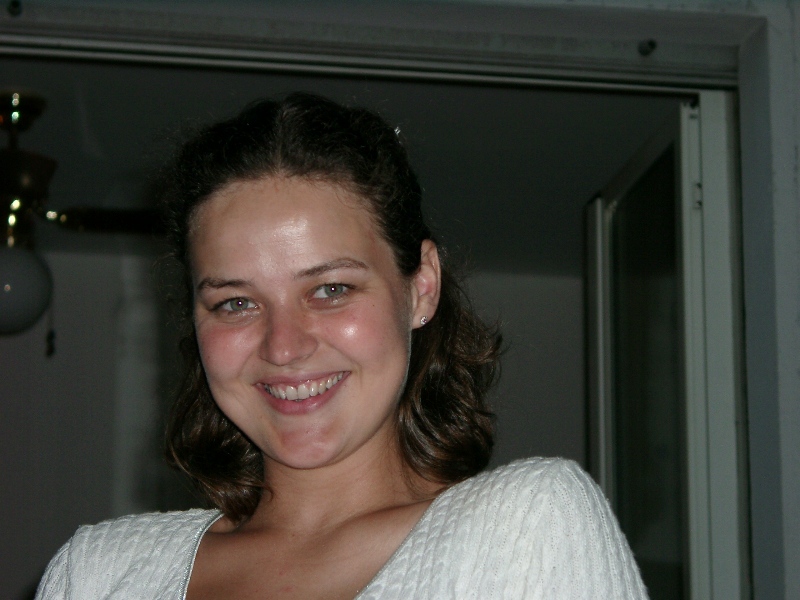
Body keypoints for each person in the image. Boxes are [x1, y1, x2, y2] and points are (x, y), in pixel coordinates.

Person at [35, 92, 648, 599]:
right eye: (236, 303)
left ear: (421, 288)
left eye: (330, 289)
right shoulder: (98, 574)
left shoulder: (525, 529)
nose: (284, 346)